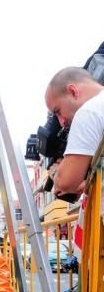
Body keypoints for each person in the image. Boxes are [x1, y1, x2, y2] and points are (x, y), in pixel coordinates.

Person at [44, 67, 104, 197]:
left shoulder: (88, 112)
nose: (61, 123)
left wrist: (55, 172)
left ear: (73, 91)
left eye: (58, 111)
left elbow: (66, 182)